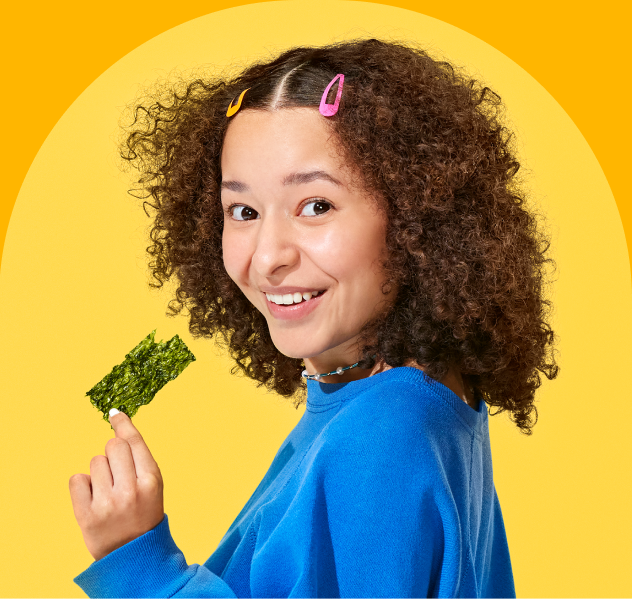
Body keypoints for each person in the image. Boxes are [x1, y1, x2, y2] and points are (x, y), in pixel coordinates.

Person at [69, 38, 558, 598]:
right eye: (244, 211)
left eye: (316, 206)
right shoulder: (411, 397)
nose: (269, 254)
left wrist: (140, 563)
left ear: (418, 218)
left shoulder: (381, 435)